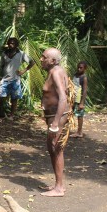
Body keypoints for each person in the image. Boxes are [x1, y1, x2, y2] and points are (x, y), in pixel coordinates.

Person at [40, 48, 74, 197]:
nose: (41, 59)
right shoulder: (55, 71)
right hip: (54, 116)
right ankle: (58, 184)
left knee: (56, 148)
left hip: (58, 117)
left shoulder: (56, 72)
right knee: (52, 148)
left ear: (53, 61)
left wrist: (55, 123)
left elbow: (63, 97)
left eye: (44, 57)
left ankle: (59, 188)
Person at [0, 37, 35, 120]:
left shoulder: (21, 54)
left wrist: (23, 71)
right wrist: (0, 77)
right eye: (9, 43)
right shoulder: (4, 54)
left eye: (13, 43)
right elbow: (2, 66)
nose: (11, 45)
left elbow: (32, 62)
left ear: (16, 45)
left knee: (14, 98)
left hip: (15, 80)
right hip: (5, 80)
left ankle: (11, 116)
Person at [70, 61, 88, 138]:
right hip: (72, 98)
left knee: (80, 115)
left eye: (81, 68)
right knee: (69, 114)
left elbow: (84, 90)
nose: (79, 69)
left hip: (79, 99)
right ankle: (67, 129)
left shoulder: (84, 78)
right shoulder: (75, 75)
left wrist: (82, 103)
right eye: (78, 67)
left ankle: (79, 132)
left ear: (85, 69)